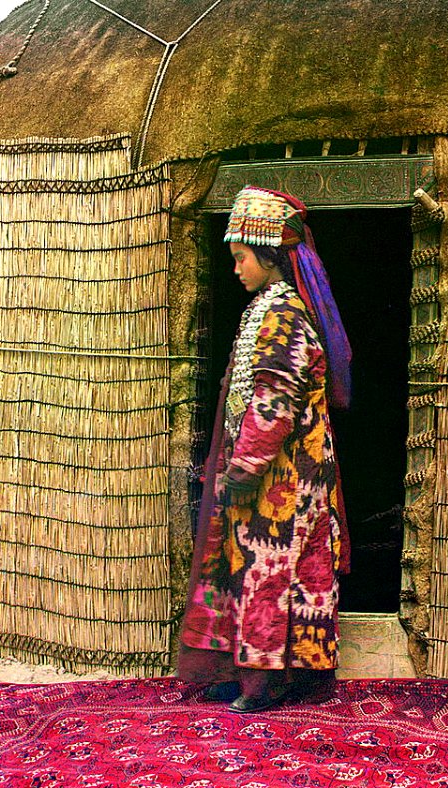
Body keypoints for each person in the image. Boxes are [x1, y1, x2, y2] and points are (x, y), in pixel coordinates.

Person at [177, 185, 352, 713]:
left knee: (273, 574)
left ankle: (268, 685)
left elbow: (275, 398)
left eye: (241, 258)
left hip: (287, 479)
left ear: (269, 254)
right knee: (246, 569)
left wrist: (245, 464)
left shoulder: (286, 315)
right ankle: (241, 672)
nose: (236, 268)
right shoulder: (264, 309)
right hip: (265, 474)